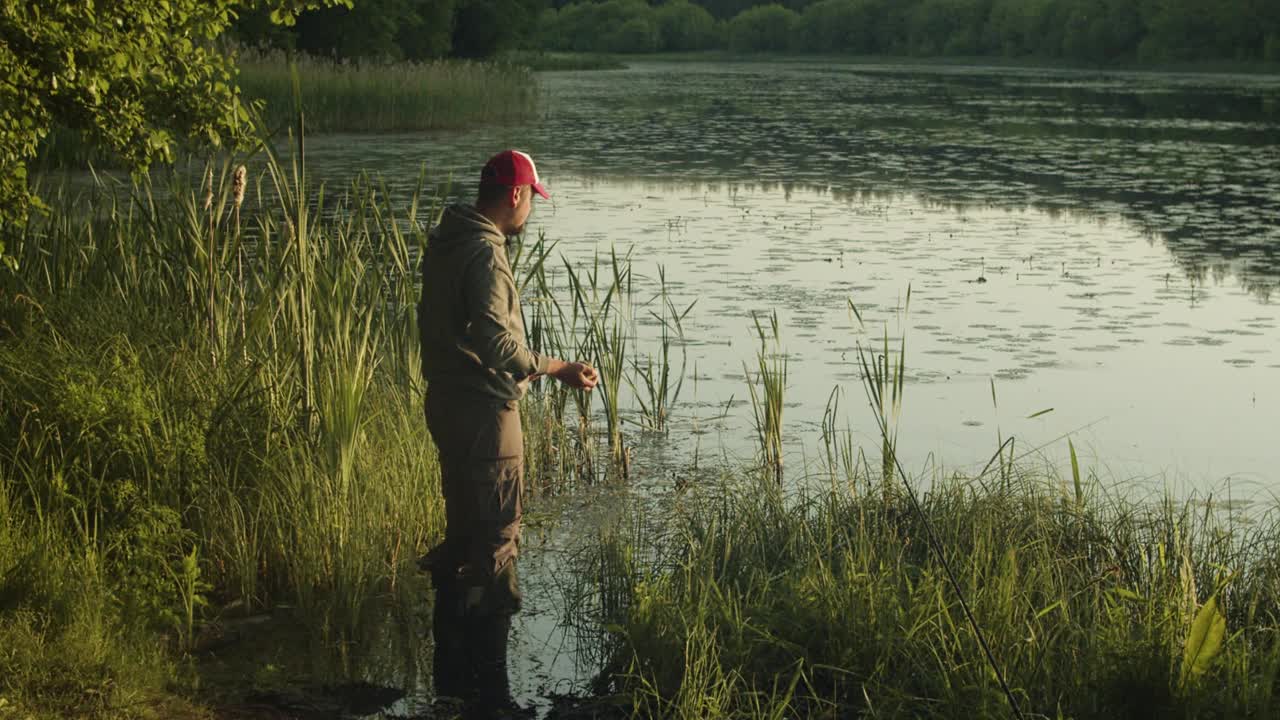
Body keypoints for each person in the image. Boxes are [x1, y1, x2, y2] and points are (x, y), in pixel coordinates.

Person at [416, 149, 598, 715]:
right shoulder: (486, 254)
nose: (531, 214)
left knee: (463, 540)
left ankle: (450, 683)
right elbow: (498, 345)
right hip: (484, 418)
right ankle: (493, 696)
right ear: (516, 195)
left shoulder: (447, 240)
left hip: (446, 405)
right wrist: (557, 367)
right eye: (532, 201)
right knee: (495, 548)